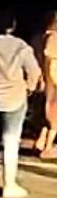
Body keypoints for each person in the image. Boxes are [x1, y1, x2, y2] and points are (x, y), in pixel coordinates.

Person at [0, 11, 42, 198]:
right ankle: (9, 185)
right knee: (11, 142)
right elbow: (34, 72)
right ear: (11, 27)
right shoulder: (20, 46)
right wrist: (28, 88)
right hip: (14, 98)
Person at [36, 12, 57, 159]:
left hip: (47, 77)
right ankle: (48, 146)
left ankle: (41, 140)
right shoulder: (54, 38)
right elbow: (51, 61)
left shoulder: (43, 37)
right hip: (54, 77)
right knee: (54, 113)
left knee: (48, 111)